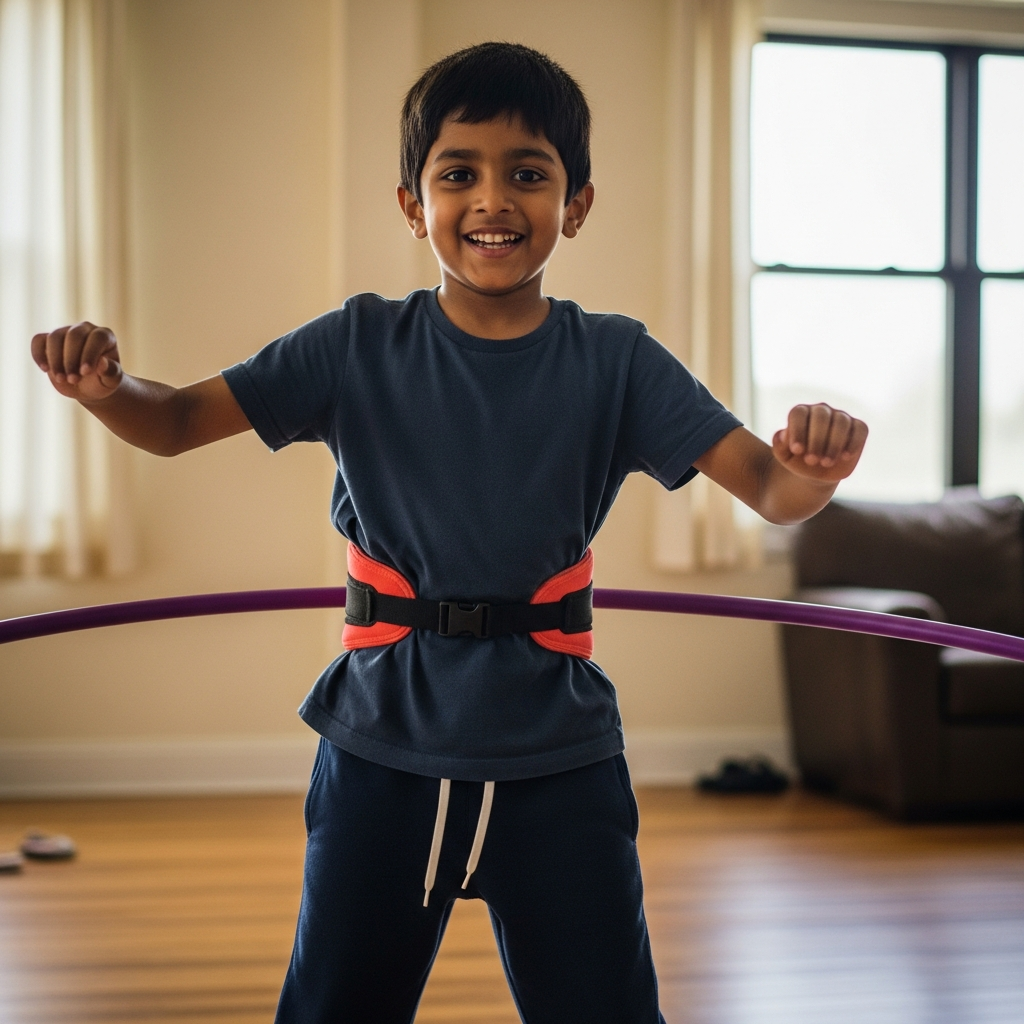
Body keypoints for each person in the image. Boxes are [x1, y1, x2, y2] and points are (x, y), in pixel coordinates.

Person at [31, 41, 867, 1024]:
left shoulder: (618, 360)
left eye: (529, 174)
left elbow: (768, 489)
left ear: (576, 204)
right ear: (411, 202)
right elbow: (173, 421)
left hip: (558, 756)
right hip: (383, 748)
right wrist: (107, 389)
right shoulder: (354, 342)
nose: (492, 200)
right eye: (458, 173)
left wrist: (812, 472)